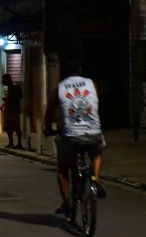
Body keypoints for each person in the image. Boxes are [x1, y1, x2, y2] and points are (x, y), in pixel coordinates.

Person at [44, 58, 106, 215]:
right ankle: (95, 180)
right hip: (93, 131)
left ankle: (66, 203)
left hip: (70, 135)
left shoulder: (59, 88)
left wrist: (47, 128)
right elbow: (96, 103)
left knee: (62, 169)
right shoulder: (92, 83)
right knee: (97, 153)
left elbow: (49, 111)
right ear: (79, 70)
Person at [0, 73, 23, 148]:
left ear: (7, 79)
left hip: (14, 110)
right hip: (8, 110)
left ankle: (19, 143)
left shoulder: (15, 87)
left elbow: (20, 96)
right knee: (9, 127)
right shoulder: (7, 88)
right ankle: (11, 143)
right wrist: (3, 105)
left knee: (16, 127)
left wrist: (10, 99)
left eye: (4, 79)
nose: (3, 81)